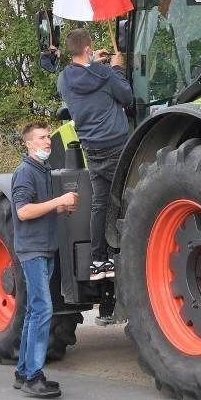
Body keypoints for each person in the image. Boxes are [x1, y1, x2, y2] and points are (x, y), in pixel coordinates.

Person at [56, 28, 132, 289]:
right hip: (117, 144)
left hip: (92, 149)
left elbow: (84, 77)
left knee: (100, 202)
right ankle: (130, 255)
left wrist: (93, 64)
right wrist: (117, 68)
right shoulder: (107, 74)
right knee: (127, 199)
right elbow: (127, 97)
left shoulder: (64, 80)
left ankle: (99, 260)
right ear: (88, 49)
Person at [11, 121, 77, 398]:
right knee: (42, 310)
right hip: (33, 250)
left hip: (44, 248)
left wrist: (59, 207)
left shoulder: (44, 170)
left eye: (48, 136)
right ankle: (33, 377)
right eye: (42, 138)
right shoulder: (25, 172)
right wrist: (57, 201)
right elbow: (23, 211)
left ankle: (24, 371)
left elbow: (39, 210)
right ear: (29, 144)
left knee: (33, 311)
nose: (48, 141)